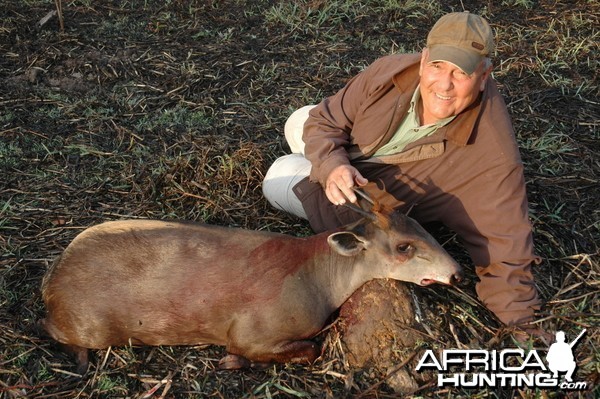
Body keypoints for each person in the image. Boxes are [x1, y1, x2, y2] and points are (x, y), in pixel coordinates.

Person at [262, 12, 542, 330]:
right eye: (437, 66)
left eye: (460, 72)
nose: (445, 84)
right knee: (300, 119)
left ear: (484, 74)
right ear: (423, 60)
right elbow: (325, 120)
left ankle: (303, 170)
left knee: (277, 174)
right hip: (351, 165)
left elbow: (506, 242)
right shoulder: (390, 71)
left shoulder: (494, 157)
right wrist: (332, 164)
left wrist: (521, 324)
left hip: (367, 203)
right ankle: (321, 160)